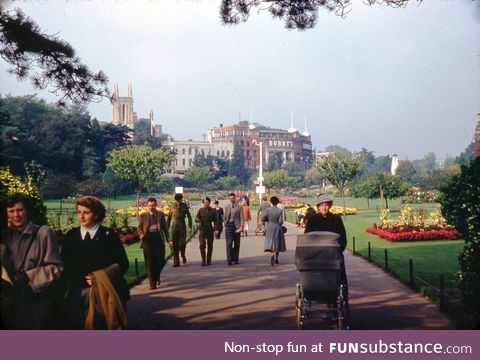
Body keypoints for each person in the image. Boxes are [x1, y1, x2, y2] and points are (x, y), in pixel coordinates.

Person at [61, 196, 129, 329]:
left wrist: (99, 277)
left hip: (102, 295)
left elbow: (123, 264)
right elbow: (64, 265)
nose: (81, 216)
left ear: (97, 214)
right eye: (79, 212)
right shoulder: (71, 236)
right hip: (75, 294)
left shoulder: (109, 236)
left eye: (86, 213)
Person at [1, 194, 63, 329]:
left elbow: (56, 268)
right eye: (11, 211)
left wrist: (28, 277)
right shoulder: (4, 236)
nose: (16, 215)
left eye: (20, 210)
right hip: (11, 303)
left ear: (28, 211)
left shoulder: (43, 233)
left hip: (37, 303)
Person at [137, 197, 170, 290]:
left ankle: (157, 277)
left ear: (156, 205)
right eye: (149, 205)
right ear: (147, 205)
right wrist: (141, 235)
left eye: (153, 205)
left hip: (158, 238)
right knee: (150, 262)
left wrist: (169, 239)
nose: (151, 207)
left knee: (160, 261)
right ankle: (152, 283)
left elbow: (165, 228)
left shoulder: (161, 214)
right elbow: (139, 227)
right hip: (147, 239)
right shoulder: (143, 215)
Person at [167, 193, 192, 267]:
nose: (181, 200)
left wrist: (190, 226)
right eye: (180, 199)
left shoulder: (184, 205)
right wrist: (166, 229)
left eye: (181, 199)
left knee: (182, 243)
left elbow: (189, 217)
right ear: (177, 199)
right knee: (175, 244)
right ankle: (176, 262)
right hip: (174, 224)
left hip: (182, 224)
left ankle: (183, 255)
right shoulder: (172, 206)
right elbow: (168, 219)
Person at [261, 196, 286, 266]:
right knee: (277, 241)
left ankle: (272, 254)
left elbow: (262, 217)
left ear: (271, 202)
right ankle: (276, 258)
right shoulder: (279, 211)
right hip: (277, 226)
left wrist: (267, 220)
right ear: (277, 202)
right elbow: (281, 221)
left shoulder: (268, 210)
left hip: (270, 226)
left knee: (271, 240)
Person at [195, 197, 216, 266]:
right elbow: (196, 218)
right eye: (204, 202)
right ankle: (203, 260)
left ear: (209, 202)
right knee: (202, 245)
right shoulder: (200, 210)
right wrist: (197, 219)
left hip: (209, 229)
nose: (205, 203)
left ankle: (208, 260)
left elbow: (216, 221)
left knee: (210, 245)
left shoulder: (213, 210)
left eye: (206, 202)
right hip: (202, 229)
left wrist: (216, 229)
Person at [223, 192, 244, 265]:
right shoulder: (227, 207)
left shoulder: (239, 207)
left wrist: (241, 226)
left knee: (237, 243)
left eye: (233, 198)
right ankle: (229, 259)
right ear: (229, 199)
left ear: (235, 198)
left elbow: (242, 217)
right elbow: (225, 216)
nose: (232, 199)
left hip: (237, 226)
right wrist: (225, 223)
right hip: (229, 226)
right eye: (230, 198)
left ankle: (236, 258)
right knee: (229, 243)